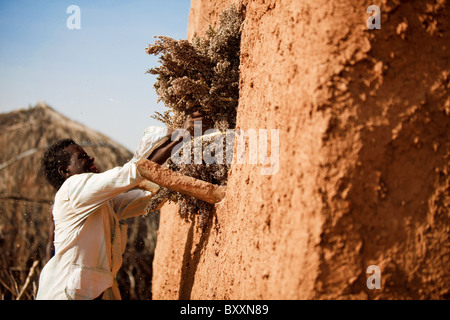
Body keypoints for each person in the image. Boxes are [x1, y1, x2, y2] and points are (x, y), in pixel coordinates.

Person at [36, 111, 205, 300]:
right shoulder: (71, 189)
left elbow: (149, 197)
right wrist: (180, 137)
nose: (91, 158)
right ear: (65, 171)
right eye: (81, 156)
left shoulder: (102, 205)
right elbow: (133, 172)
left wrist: (181, 165)